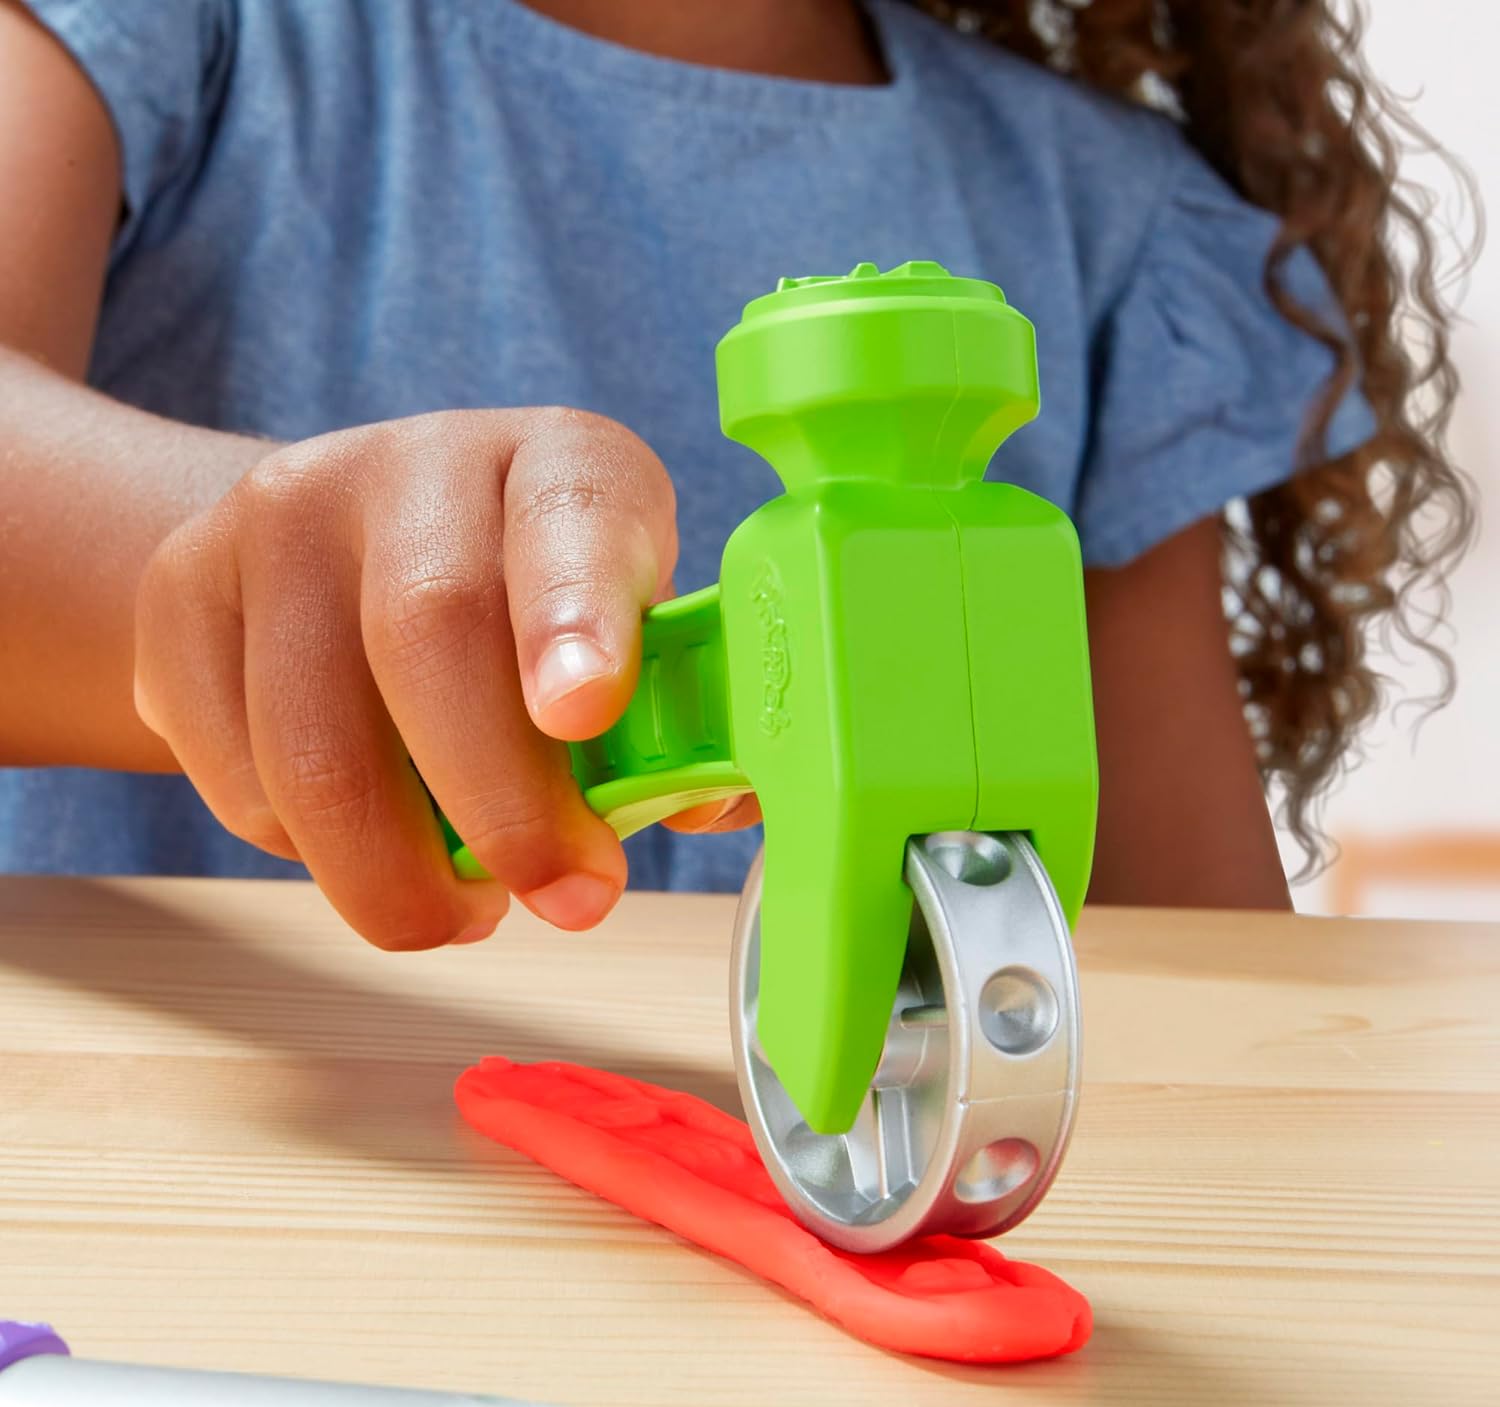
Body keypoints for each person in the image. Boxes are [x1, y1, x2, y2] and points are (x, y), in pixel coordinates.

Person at [0, 0, 1472, 950]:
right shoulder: (175, 30)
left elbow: (1194, 971)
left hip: (830, 1313)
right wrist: (229, 580)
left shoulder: (1105, 226)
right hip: (196, 1228)